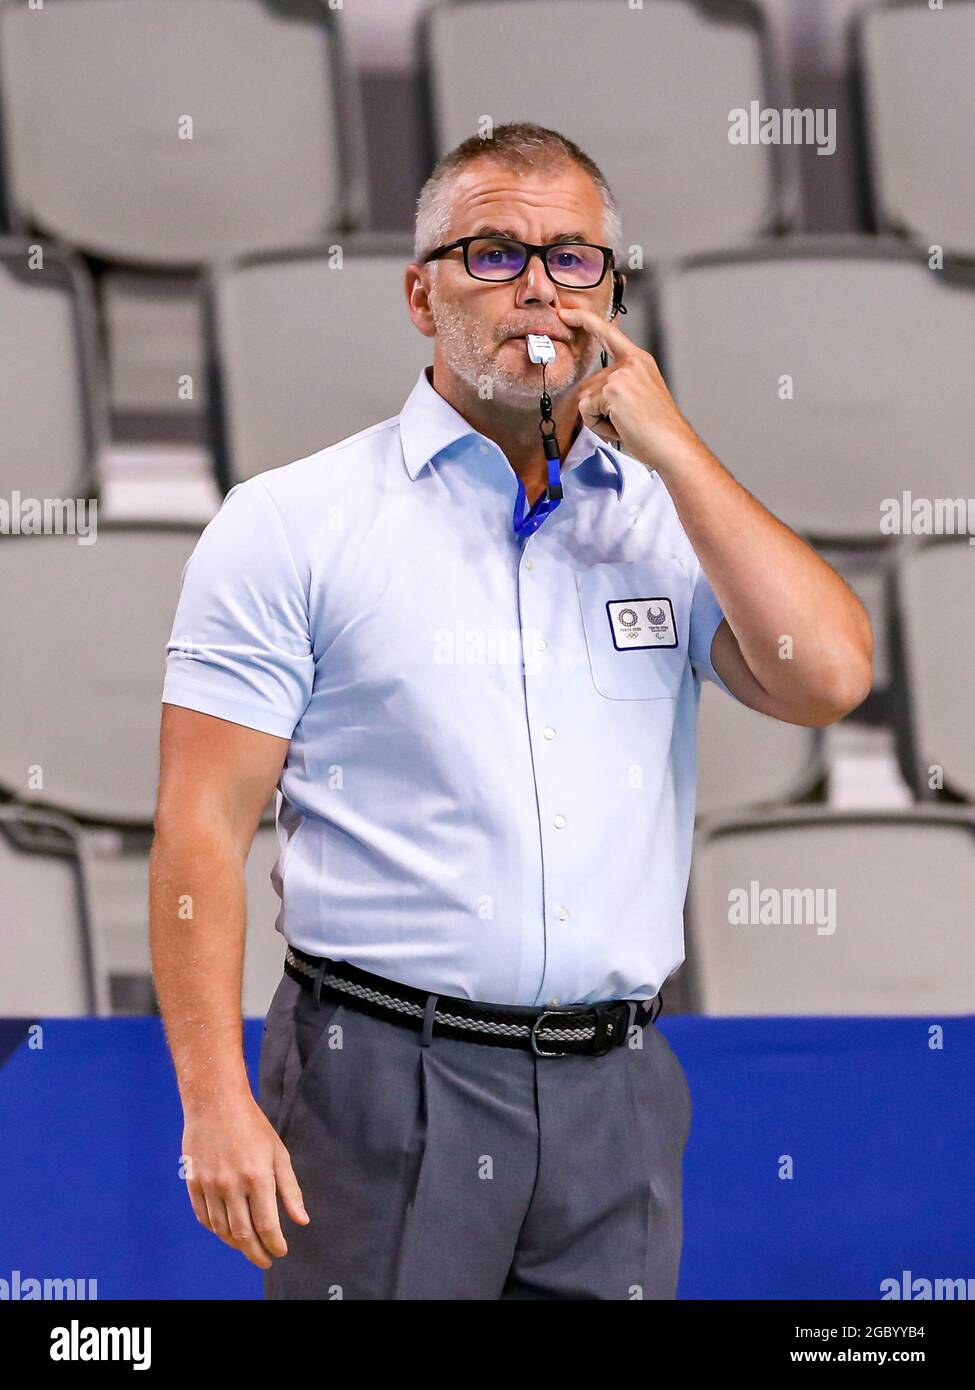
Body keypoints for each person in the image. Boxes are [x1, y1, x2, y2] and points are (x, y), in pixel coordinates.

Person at [149, 122, 872, 1300]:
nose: (539, 286)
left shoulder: (662, 515)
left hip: (616, 1090)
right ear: (420, 293)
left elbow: (829, 676)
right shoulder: (292, 522)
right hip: (379, 1077)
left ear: (614, 293)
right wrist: (213, 1097)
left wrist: (676, 449)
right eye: (493, 254)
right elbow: (197, 827)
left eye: (575, 257)